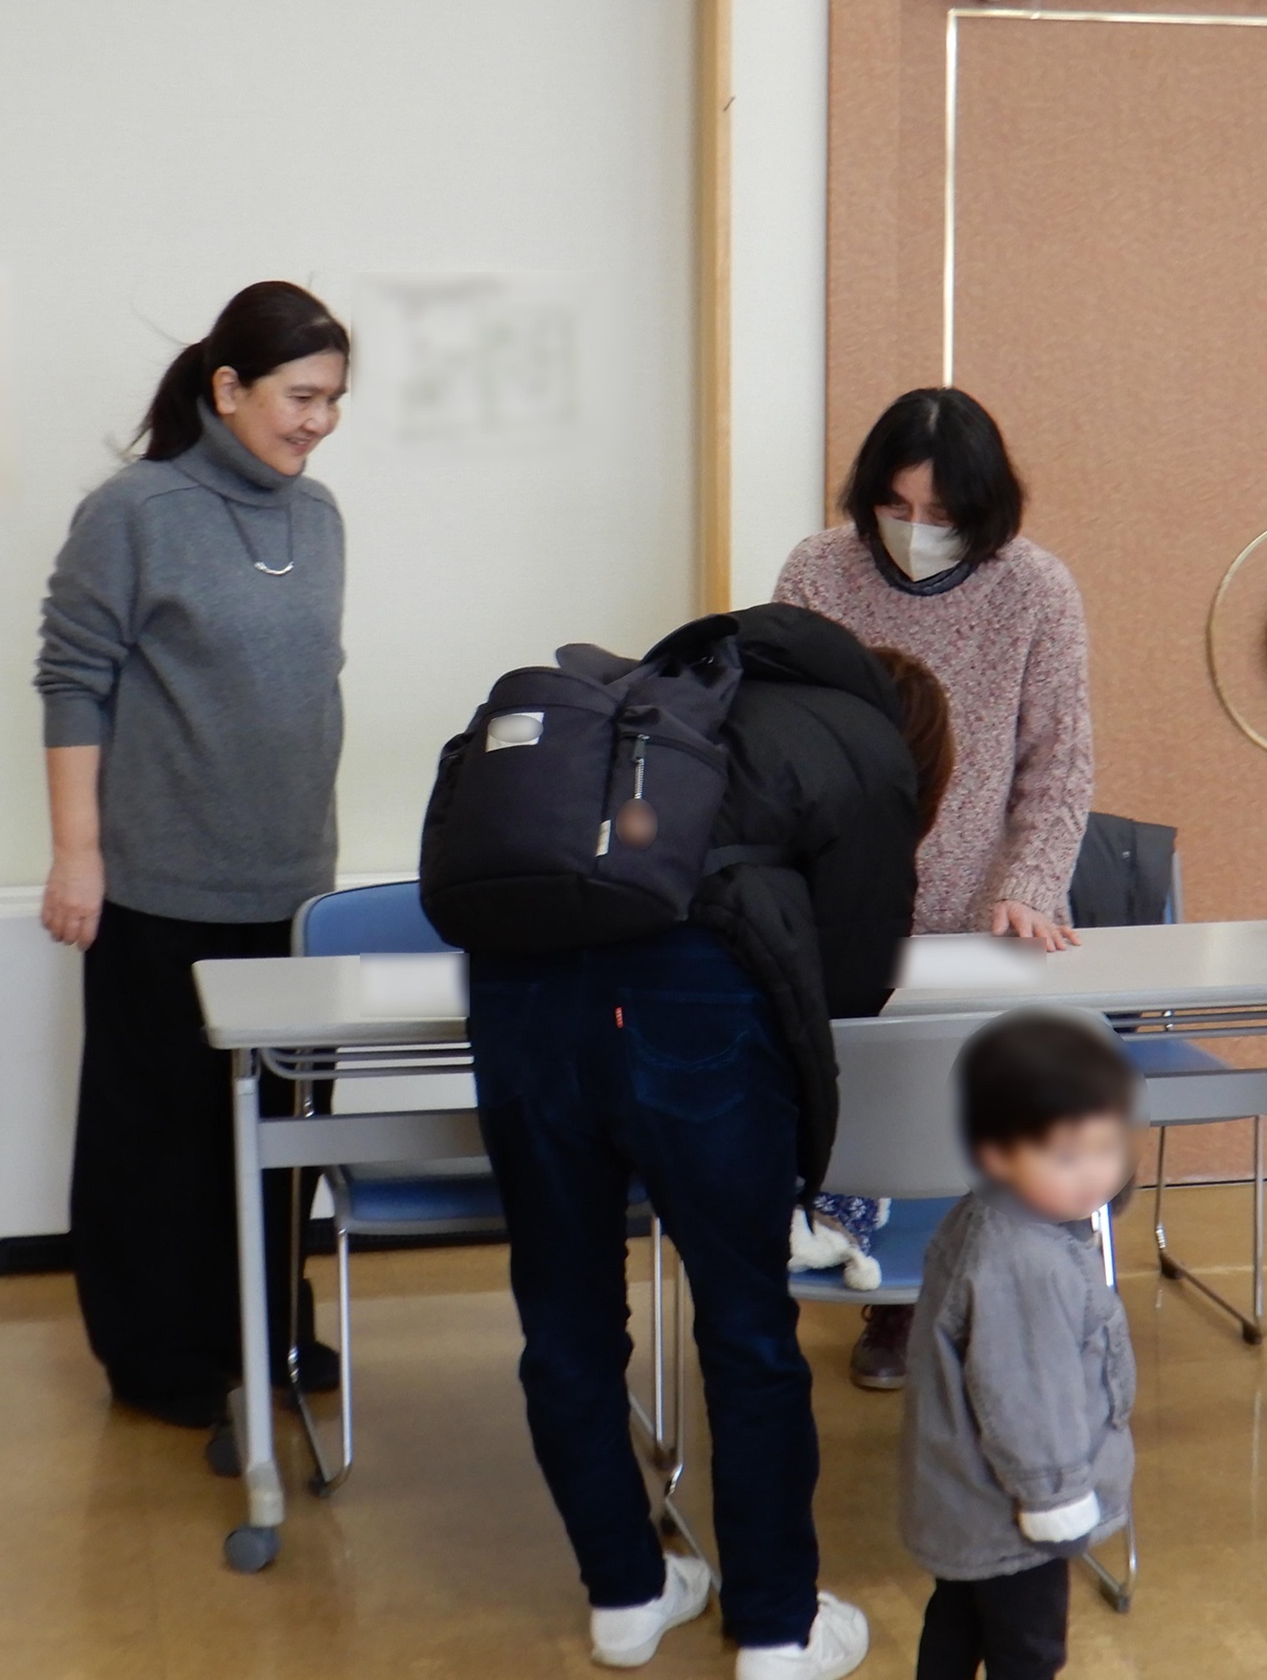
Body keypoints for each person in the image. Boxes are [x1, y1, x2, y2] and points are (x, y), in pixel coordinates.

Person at [465, 605, 950, 1680]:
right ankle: (777, 1631)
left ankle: (625, 1600)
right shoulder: (866, 742)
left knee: (564, 1316)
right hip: (691, 1006)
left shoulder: (656, 699)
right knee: (744, 1325)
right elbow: (854, 976)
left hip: (518, 1001)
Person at [34, 280, 352, 1428]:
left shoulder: (319, 518)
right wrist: (78, 854)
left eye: (332, 400)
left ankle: (264, 1328)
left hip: (294, 882)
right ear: (227, 389)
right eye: (299, 396)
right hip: (161, 885)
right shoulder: (134, 511)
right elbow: (72, 681)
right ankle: (159, 1356)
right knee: (159, 1136)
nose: (318, 420)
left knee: (285, 1126)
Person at [776, 385, 1094, 1390]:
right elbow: (780, 737)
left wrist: (1031, 881)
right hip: (842, 892)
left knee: (968, 1101)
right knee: (859, 1096)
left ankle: (965, 1289)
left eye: (942, 514)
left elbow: (1058, 761)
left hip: (982, 902)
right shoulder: (817, 572)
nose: (915, 531)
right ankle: (880, 1287)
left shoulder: (1035, 589)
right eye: (896, 507)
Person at [901, 1011, 1138, 1680]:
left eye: (1106, 1148)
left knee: (957, 1620)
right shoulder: (1026, 1261)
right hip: (1015, 1513)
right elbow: (1028, 1399)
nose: (1094, 1174)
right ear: (997, 1154)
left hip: (967, 1501)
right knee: (1028, 1650)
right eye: (1065, 1157)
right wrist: (1054, 1498)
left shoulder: (1001, 1219)